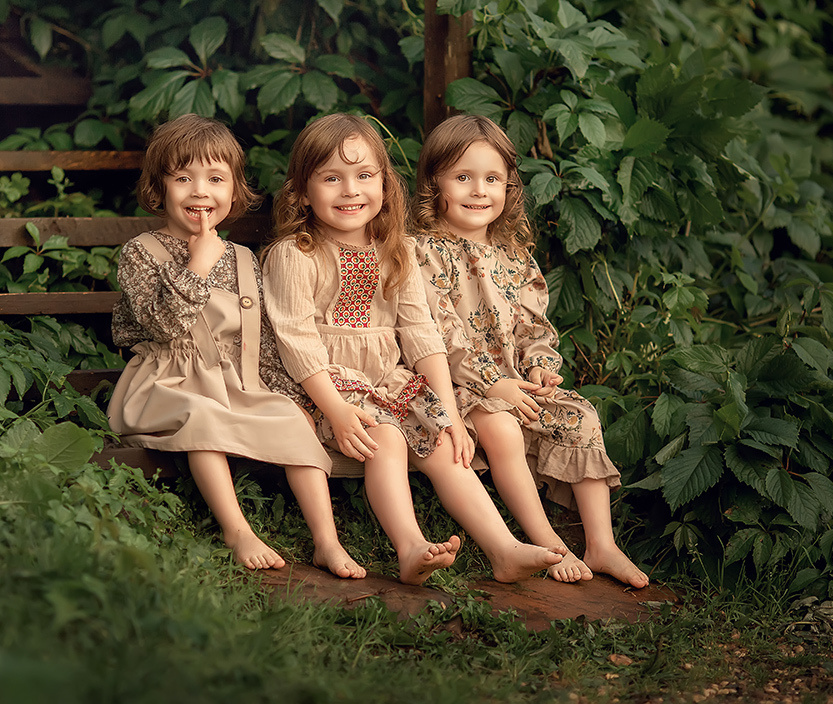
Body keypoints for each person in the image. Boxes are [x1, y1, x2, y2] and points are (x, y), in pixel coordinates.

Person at [261, 113, 564, 585]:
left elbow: (422, 333)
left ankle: (504, 549)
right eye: (331, 178)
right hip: (323, 387)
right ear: (302, 191)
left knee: (445, 442)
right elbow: (298, 344)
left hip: (386, 381)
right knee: (387, 437)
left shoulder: (394, 248)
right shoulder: (296, 253)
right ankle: (410, 546)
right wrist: (337, 411)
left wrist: (447, 411)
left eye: (364, 176)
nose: (350, 190)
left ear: (385, 185)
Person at [108, 114, 365, 579]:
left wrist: (295, 396)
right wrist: (197, 268)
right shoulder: (141, 252)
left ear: (234, 188)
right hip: (166, 384)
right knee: (205, 415)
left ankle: (327, 541)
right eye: (183, 178)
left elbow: (261, 342)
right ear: (159, 187)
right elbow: (160, 326)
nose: (200, 191)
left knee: (289, 418)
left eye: (215, 178)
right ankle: (237, 530)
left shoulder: (245, 259)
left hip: (235, 383)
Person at [413, 113, 649, 588]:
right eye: (463, 177)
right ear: (434, 182)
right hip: (458, 386)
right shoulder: (422, 250)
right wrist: (491, 381)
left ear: (509, 188)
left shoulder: (513, 254)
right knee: (501, 429)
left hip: (515, 380)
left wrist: (541, 366)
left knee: (580, 416)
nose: (480, 191)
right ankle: (547, 543)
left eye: (492, 179)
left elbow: (532, 326)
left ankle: (601, 543)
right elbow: (437, 332)